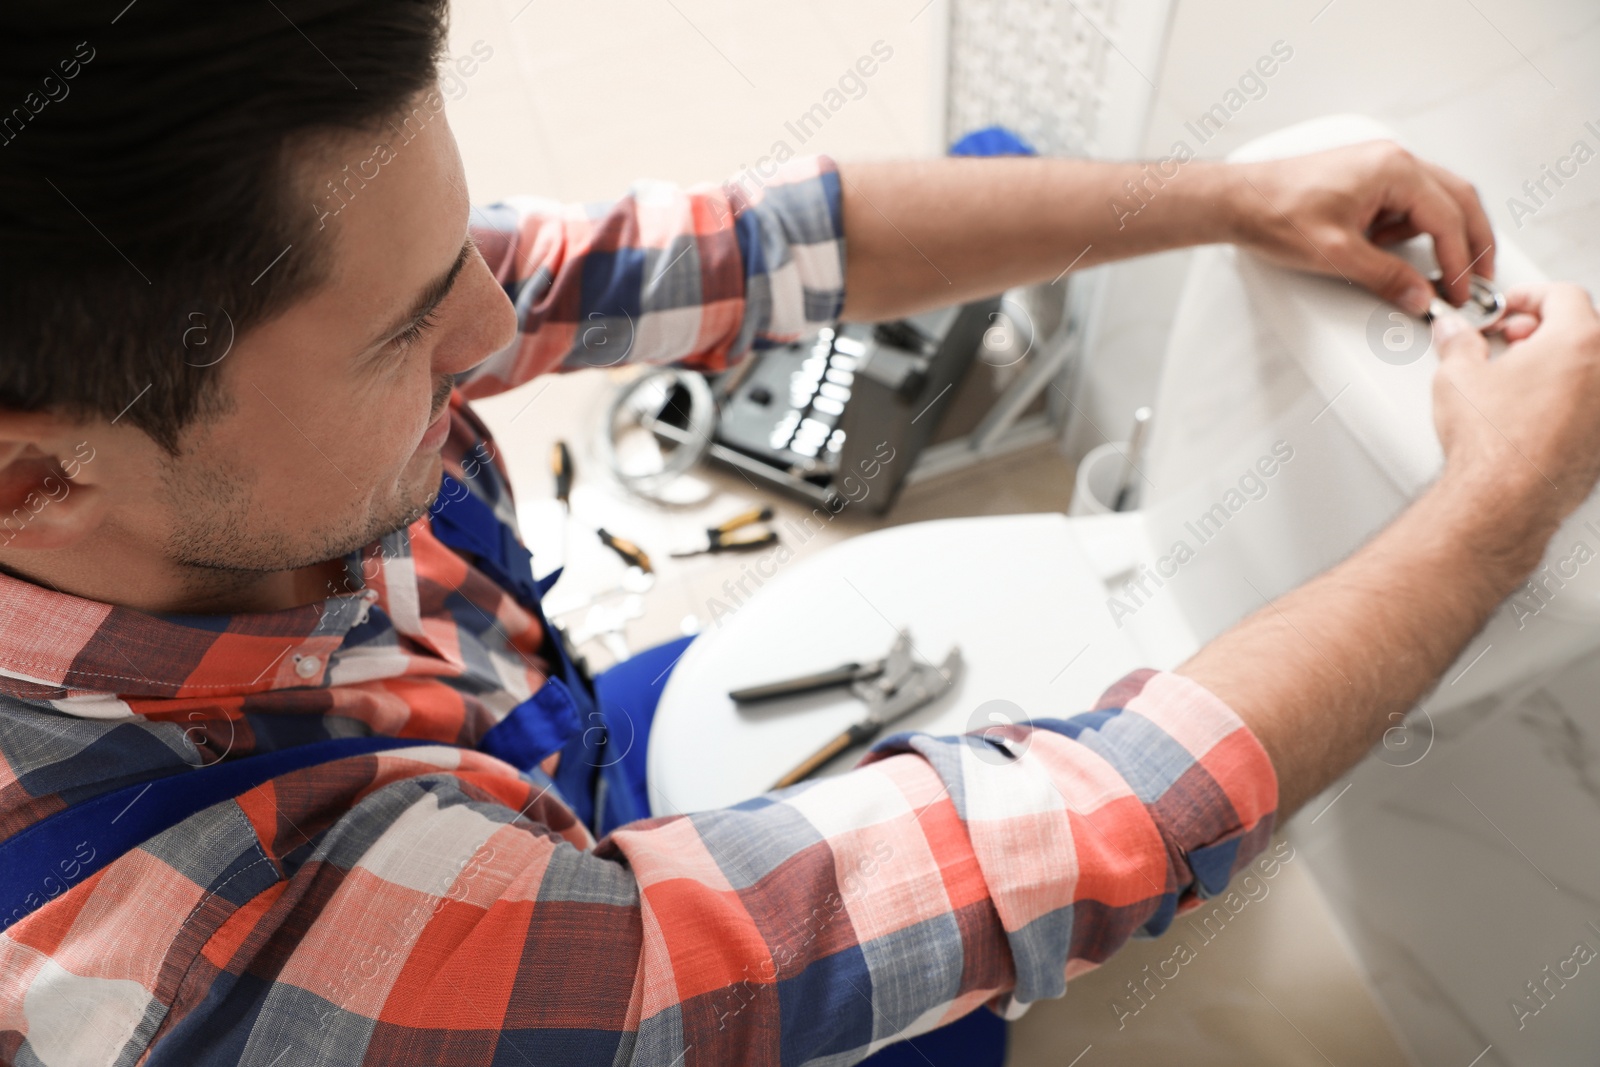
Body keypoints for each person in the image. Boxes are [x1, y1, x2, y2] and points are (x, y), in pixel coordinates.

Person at [2, 3, 1598, 1065]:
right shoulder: (218, 953)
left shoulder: (163, 333)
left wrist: (1228, 201)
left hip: (515, 754)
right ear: (37, 480)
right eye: (402, 335)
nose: (499, 325)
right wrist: (1495, 511)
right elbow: (1076, 846)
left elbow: (726, 252)